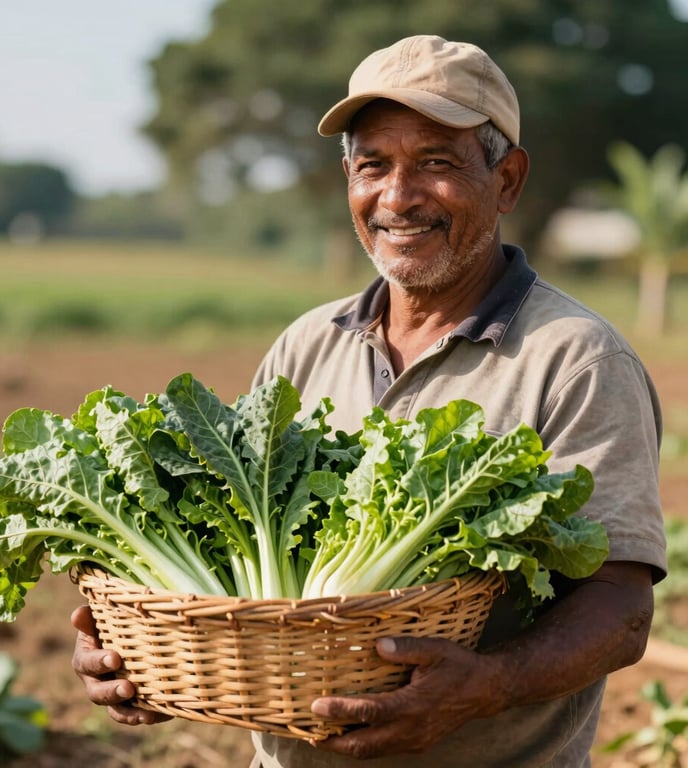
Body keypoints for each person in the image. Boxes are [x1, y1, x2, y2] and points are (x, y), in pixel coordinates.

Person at [71, 35, 667, 767]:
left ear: (507, 180)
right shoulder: (306, 344)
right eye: (372, 165)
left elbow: (621, 611)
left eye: (437, 164)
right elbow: (235, 568)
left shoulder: (575, 358)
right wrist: (133, 639)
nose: (398, 196)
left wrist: (486, 684)